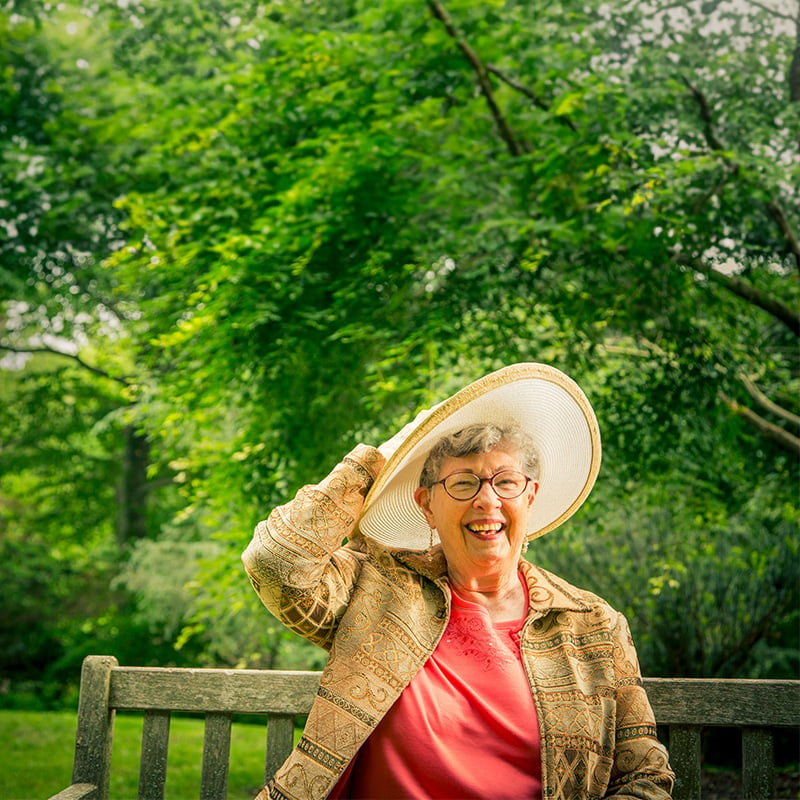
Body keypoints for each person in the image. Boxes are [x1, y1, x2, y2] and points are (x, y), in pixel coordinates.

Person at [243, 363, 674, 800]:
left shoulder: (594, 625)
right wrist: (381, 456)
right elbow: (274, 562)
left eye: (506, 482)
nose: (487, 500)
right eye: (464, 483)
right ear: (426, 505)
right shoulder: (377, 585)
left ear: (530, 496)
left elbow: (645, 777)